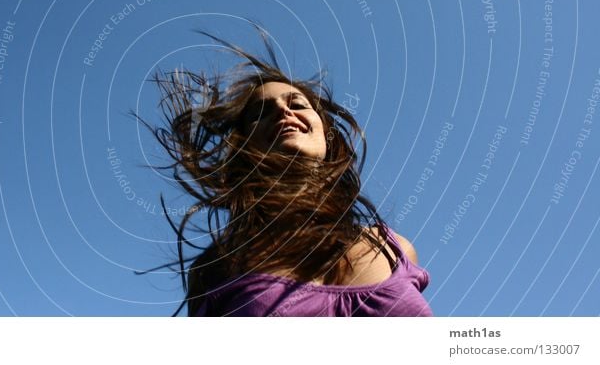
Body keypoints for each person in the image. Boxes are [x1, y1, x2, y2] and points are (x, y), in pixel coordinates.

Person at [142, 24, 432, 316]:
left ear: (326, 133)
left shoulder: (394, 247)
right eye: (261, 112)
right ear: (242, 147)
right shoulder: (217, 266)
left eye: (297, 104)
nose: (284, 111)